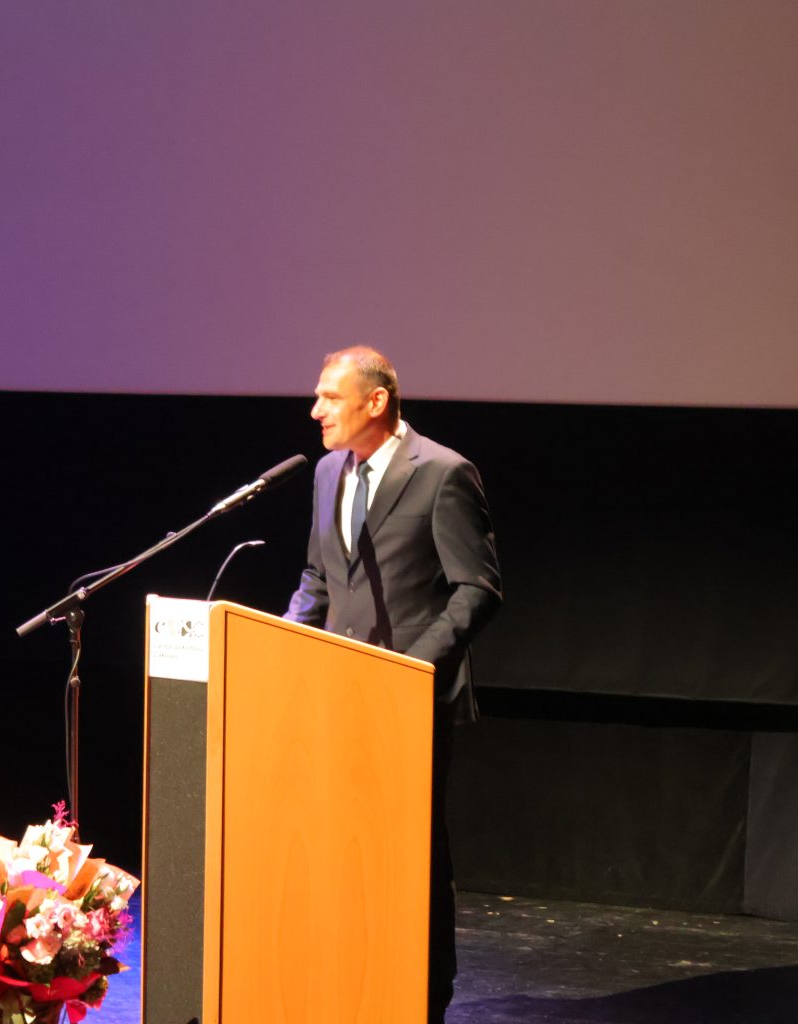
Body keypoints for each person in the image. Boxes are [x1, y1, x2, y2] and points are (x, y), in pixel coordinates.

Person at [286, 345, 503, 1022]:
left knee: (410, 857)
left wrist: (410, 670)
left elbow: (478, 589)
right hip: (335, 697)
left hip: (409, 697)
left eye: (330, 396)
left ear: (375, 401)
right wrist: (282, 646)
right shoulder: (328, 472)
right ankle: (349, 977)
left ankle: (423, 994)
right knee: (337, 848)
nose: (316, 410)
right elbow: (319, 578)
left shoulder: (442, 473)